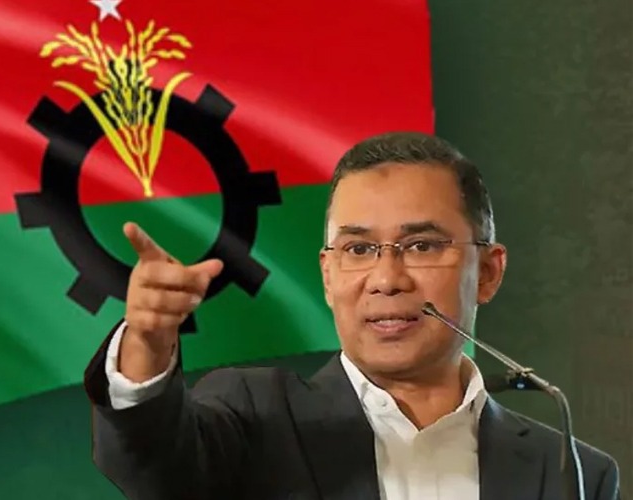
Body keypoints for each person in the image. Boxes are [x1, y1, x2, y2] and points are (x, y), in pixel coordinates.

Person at [82, 132, 620, 500]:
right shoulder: (255, 419)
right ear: (328, 274)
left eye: (421, 245)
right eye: (359, 250)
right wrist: (147, 343)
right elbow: (156, 469)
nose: (386, 279)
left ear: (488, 272)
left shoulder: (571, 475)